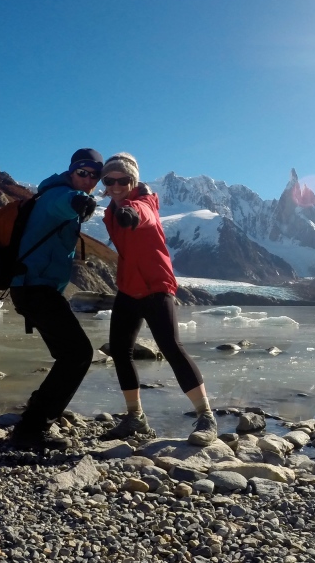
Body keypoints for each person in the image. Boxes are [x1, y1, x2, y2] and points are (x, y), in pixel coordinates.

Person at [99, 152, 218, 446]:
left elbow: (146, 214)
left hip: (155, 286)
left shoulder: (141, 203)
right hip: (129, 288)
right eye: (109, 180)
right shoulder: (110, 212)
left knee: (170, 347)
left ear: (133, 181)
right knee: (119, 350)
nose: (116, 185)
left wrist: (132, 214)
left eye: (123, 180)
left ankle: (206, 416)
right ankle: (134, 418)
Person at [8, 148, 102, 450]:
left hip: (35, 289)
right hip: (35, 289)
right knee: (78, 355)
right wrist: (79, 202)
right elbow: (63, 204)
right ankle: (32, 427)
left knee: (70, 355)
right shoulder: (57, 194)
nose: (87, 179)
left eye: (93, 175)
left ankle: (35, 414)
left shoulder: (55, 190)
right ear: (72, 171)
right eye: (82, 172)